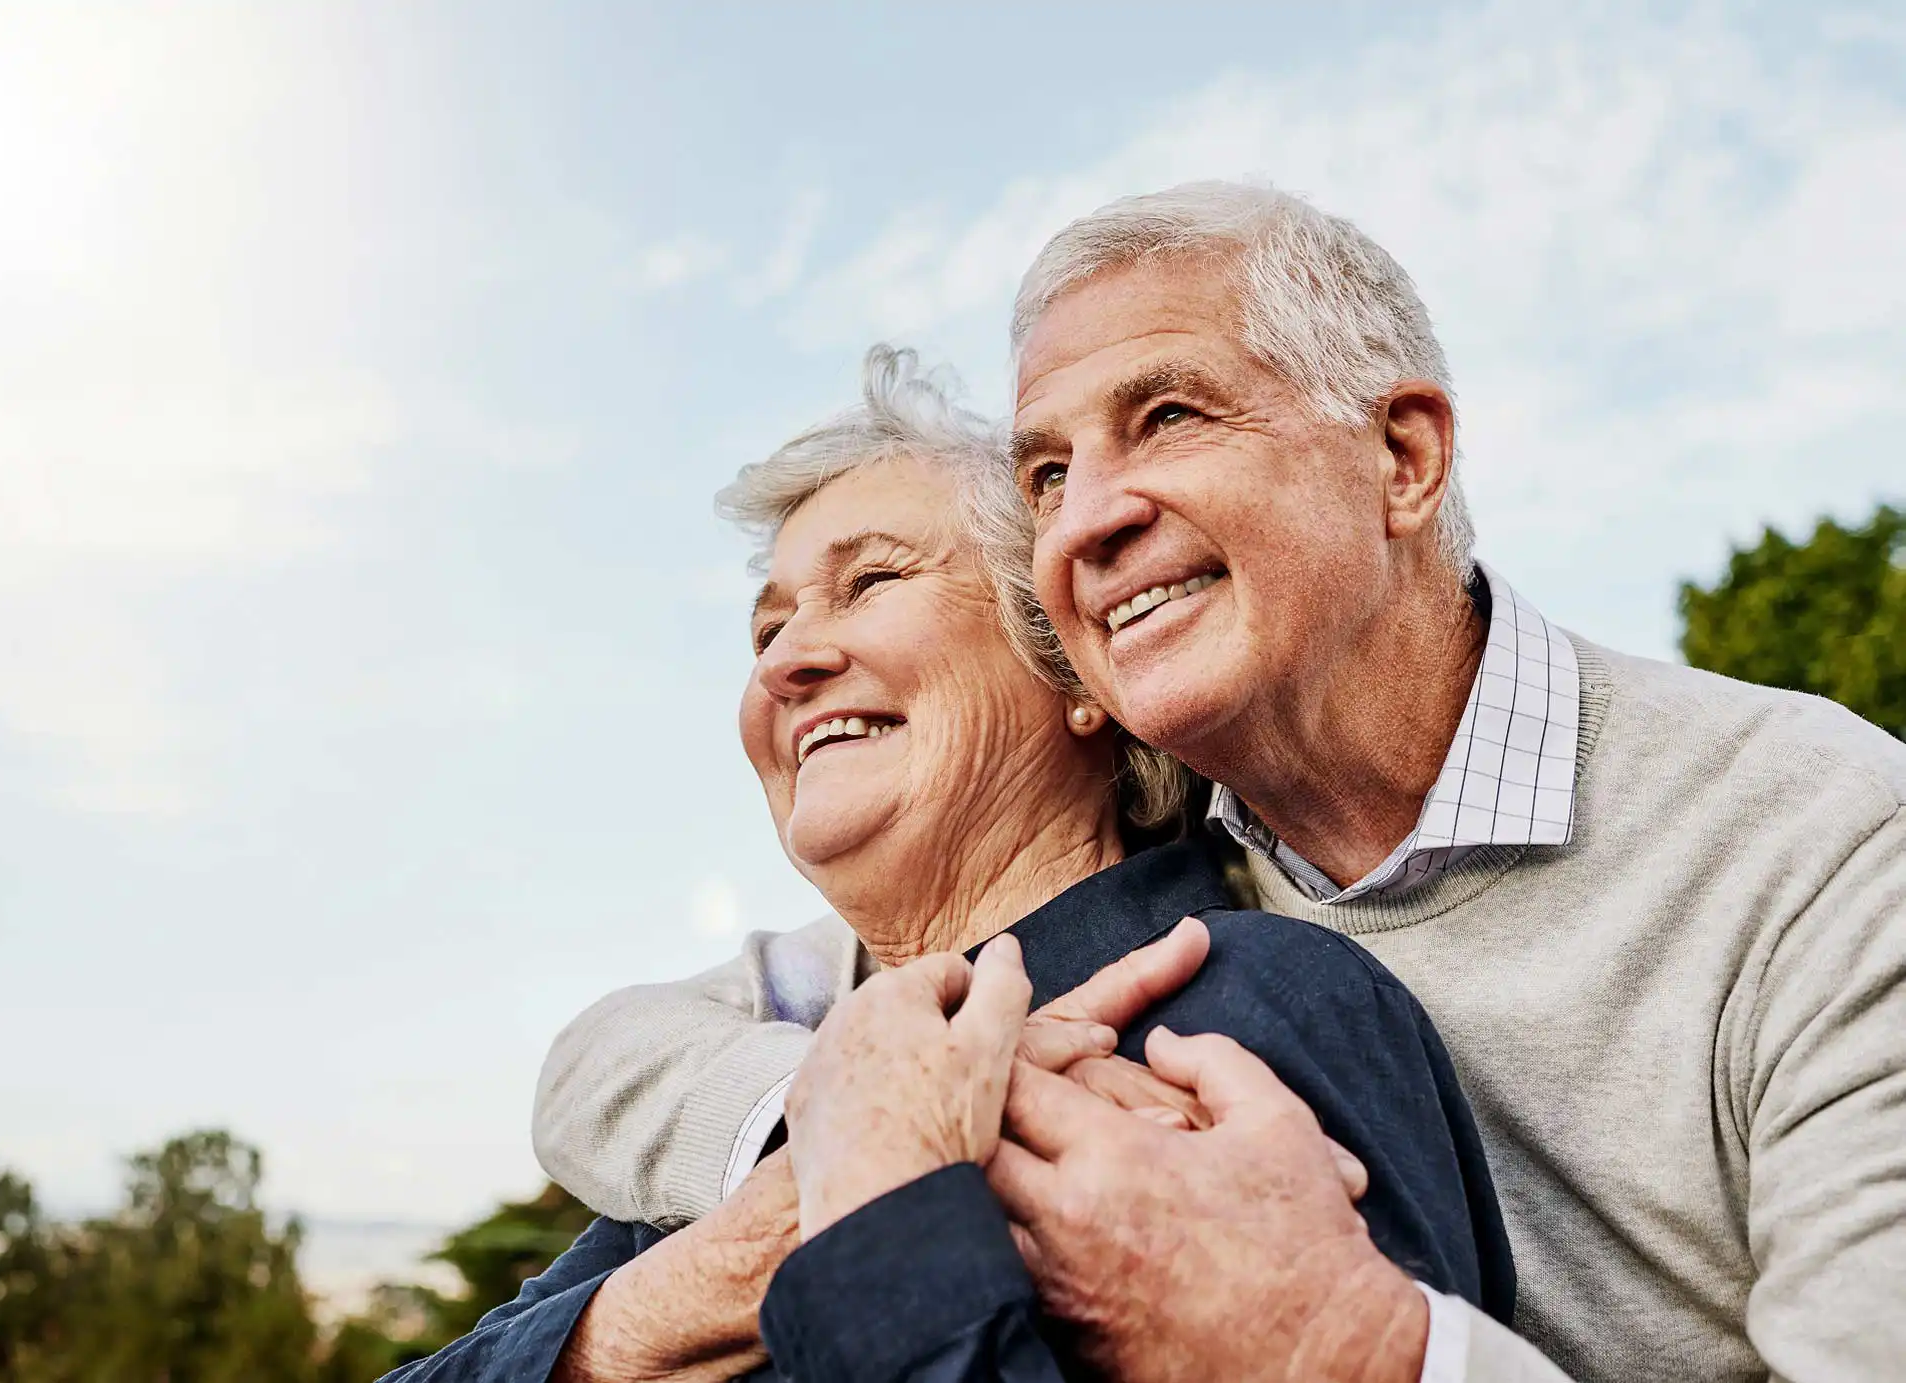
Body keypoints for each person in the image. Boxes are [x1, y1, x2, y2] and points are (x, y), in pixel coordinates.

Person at [535, 184, 1906, 1382]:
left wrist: (1363, 1350)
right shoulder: (1142, 870)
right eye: (1049, 469)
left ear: (1403, 456)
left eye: (1168, 415)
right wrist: (846, 1120)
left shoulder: (1828, 847)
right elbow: (623, 1050)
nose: (1086, 517)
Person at [384, 348, 1512, 1382]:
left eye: (869, 582)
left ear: (1076, 673)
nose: (786, 662)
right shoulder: (762, 1119)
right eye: (765, 630)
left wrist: (884, 1212)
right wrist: (674, 1302)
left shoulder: (1250, 1015)